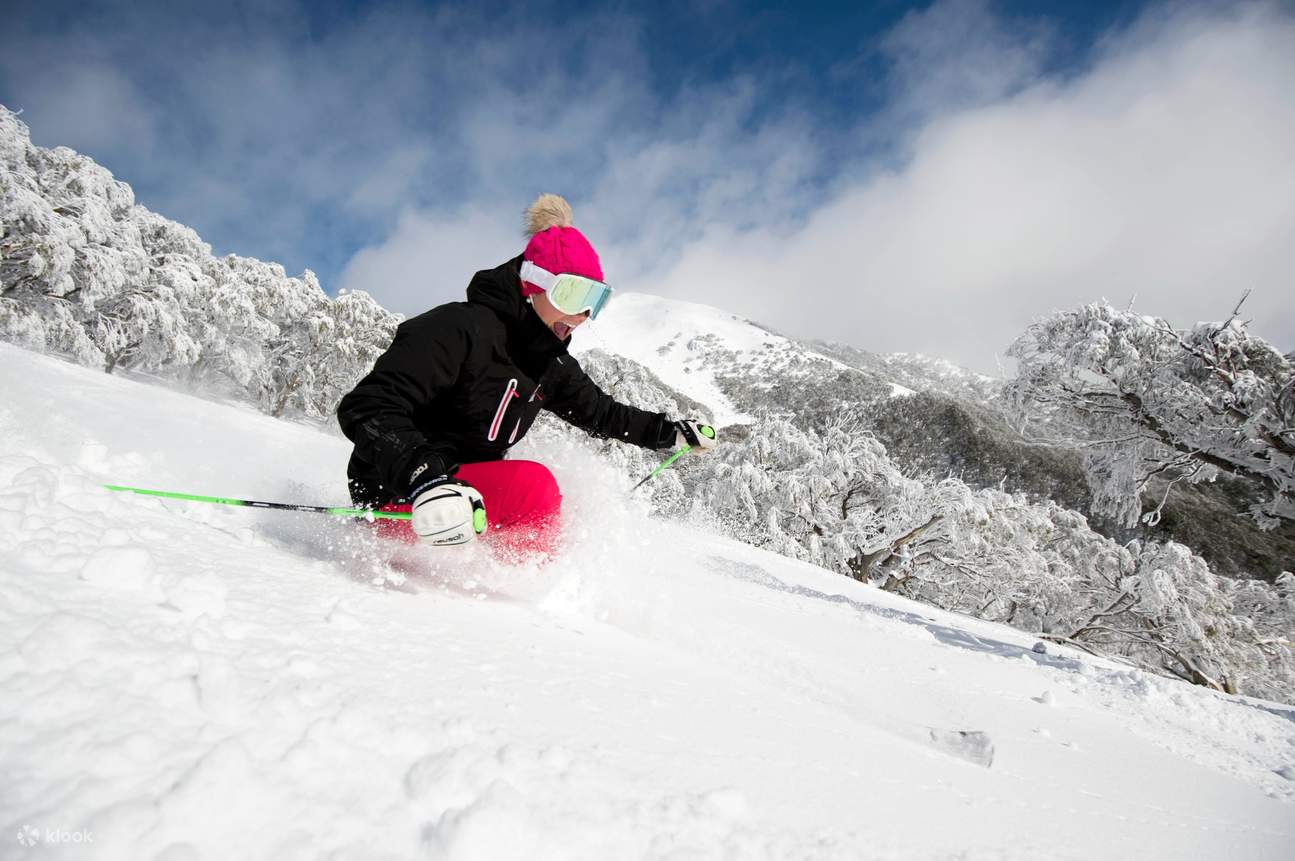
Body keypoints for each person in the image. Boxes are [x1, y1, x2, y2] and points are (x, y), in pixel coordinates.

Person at [336, 194, 717, 558]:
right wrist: (424, 477)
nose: (581, 315)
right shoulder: (459, 329)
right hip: (402, 490)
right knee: (532, 489)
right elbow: (369, 407)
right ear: (532, 284)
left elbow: (602, 413)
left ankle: (512, 585)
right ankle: (512, 600)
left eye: (595, 300)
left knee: (566, 506)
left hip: (461, 494)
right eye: (571, 295)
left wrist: (671, 433)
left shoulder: (548, 364)